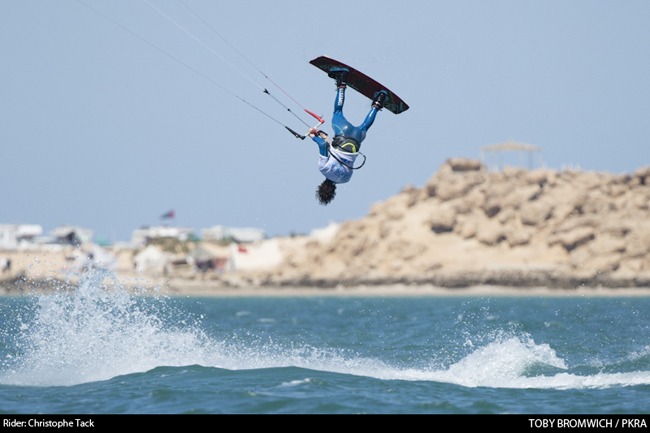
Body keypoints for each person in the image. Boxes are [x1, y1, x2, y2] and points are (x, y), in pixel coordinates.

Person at [308, 68, 387, 205]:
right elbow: (322, 145)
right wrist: (312, 136)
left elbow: (336, 155)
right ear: (321, 186)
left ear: (333, 191)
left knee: (364, 127)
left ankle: (378, 101)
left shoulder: (346, 179)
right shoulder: (323, 169)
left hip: (356, 140)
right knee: (337, 112)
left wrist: (325, 138)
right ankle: (342, 80)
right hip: (343, 133)